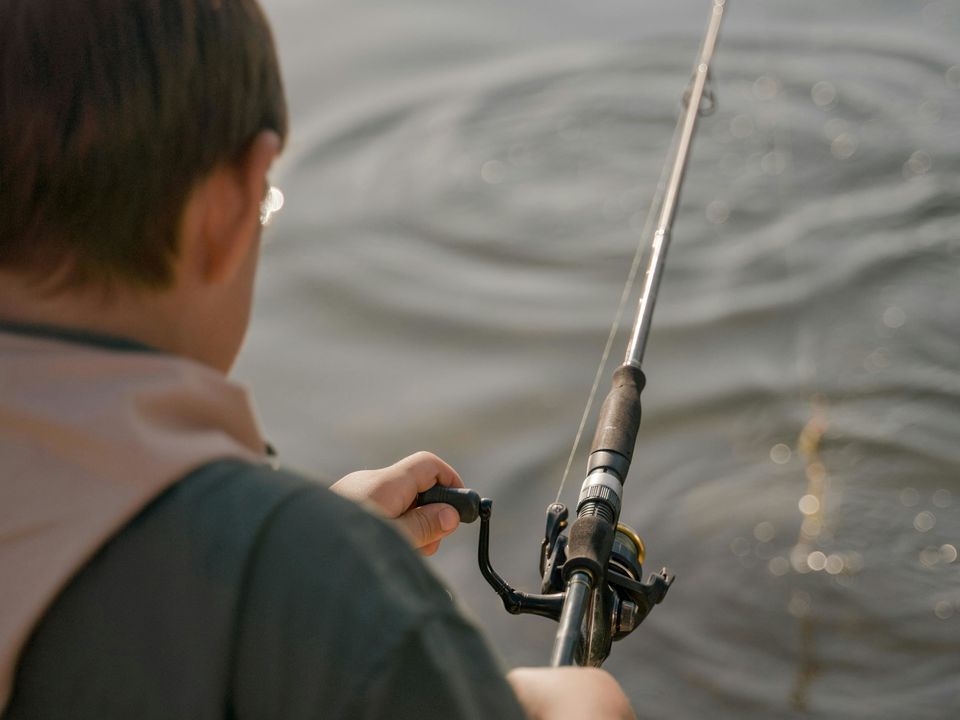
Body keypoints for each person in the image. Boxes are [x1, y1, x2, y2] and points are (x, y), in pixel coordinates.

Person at [0, 1, 636, 718]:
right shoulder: (330, 596)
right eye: (265, 202)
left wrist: (294, 541)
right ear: (233, 201)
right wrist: (578, 699)